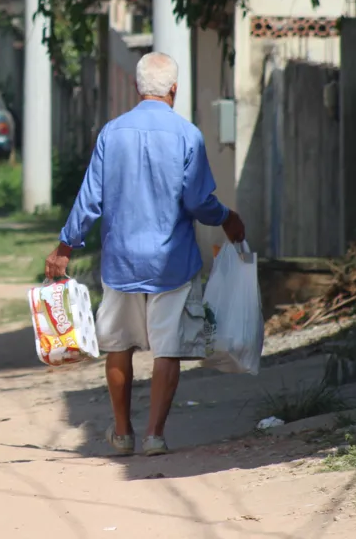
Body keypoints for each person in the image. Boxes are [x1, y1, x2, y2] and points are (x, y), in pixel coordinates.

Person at [44, 52, 246, 457]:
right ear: (174, 89)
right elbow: (196, 200)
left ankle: (122, 434)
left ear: (138, 88)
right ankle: (155, 435)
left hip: (121, 262)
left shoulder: (111, 133)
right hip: (173, 262)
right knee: (167, 348)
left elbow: (90, 200)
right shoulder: (187, 134)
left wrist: (65, 247)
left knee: (118, 346)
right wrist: (226, 217)